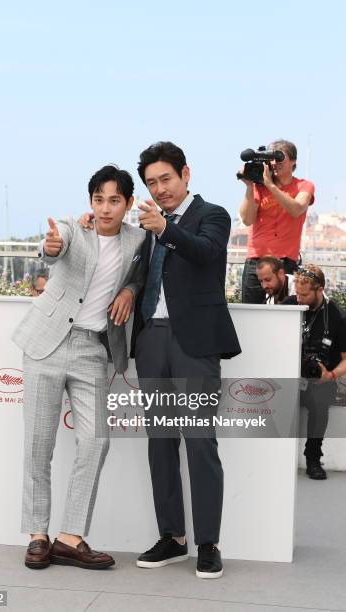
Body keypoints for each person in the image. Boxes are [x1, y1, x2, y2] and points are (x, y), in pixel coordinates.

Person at [12, 165, 145, 570]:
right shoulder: (73, 227)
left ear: (128, 203)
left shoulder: (139, 238)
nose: (105, 208)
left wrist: (129, 289)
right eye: (99, 199)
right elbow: (53, 246)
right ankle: (38, 534)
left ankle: (69, 537)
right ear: (90, 201)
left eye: (114, 200)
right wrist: (51, 245)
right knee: (39, 444)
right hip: (46, 346)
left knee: (95, 441)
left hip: (92, 350)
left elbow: (143, 273)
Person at [131, 141, 241, 578]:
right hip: (151, 339)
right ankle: (172, 538)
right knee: (160, 444)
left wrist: (164, 229)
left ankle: (208, 543)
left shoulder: (212, 214)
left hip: (194, 342)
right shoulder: (145, 225)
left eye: (166, 179)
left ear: (186, 174)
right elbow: (136, 273)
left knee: (199, 442)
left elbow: (206, 253)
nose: (160, 189)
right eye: (152, 183)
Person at [282, 265, 346, 479]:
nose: (298, 299)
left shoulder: (336, 315)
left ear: (320, 289)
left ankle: (313, 459)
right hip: (288, 375)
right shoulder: (288, 305)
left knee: (320, 405)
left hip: (320, 380)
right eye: (296, 293)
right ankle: (273, 456)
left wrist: (331, 374)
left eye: (304, 294)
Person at [239, 139, 315, 304]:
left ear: (293, 161)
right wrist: (249, 186)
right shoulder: (259, 186)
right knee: (250, 314)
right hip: (256, 260)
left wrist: (271, 186)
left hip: (284, 262)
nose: (274, 163)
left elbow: (296, 209)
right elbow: (246, 219)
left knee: (284, 315)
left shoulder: (304, 186)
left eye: (279, 158)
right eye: (271, 159)